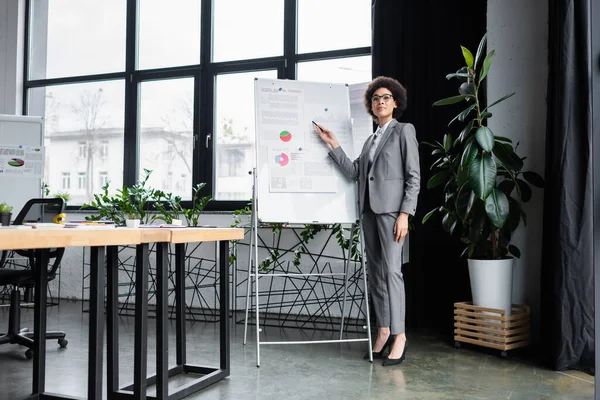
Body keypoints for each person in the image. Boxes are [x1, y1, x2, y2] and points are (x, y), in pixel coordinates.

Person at [315, 76, 420, 366]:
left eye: (386, 97)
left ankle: (400, 335)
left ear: (395, 102)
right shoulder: (369, 139)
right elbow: (354, 172)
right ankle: (383, 330)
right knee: (375, 275)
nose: (380, 102)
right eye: (375, 98)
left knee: (392, 273)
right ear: (371, 106)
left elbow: (413, 177)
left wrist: (405, 215)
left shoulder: (403, 131)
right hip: (369, 214)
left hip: (391, 213)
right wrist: (333, 143)